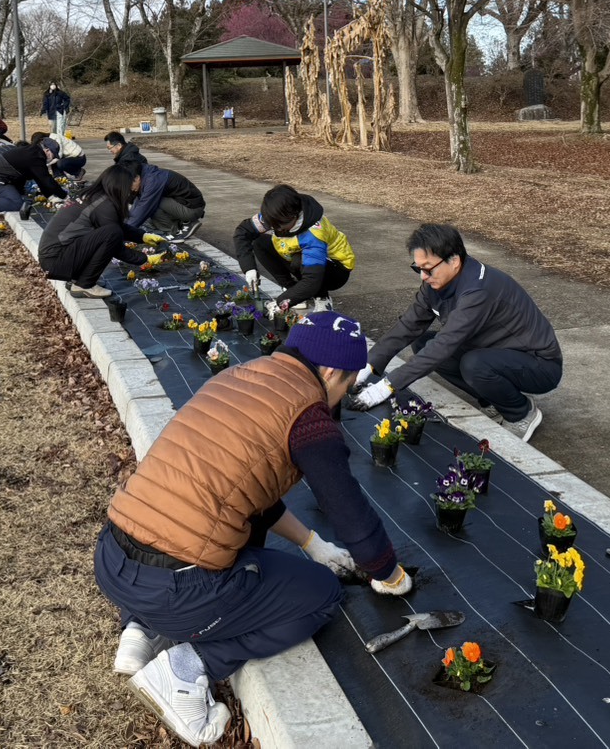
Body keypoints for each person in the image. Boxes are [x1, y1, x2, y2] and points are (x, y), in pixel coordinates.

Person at [95, 311, 413, 747]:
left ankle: (139, 631)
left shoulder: (241, 377)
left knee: (205, 523)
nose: (341, 398)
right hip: (174, 588)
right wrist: (386, 570)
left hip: (113, 558)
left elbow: (245, 492)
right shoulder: (309, 416)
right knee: (320, 594)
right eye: (348, 384)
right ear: (333, 371)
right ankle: (189, 668)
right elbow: (346, 507)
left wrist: (312, 542)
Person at [349, 223, 564, 443]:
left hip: (539, 363)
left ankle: (521, 413)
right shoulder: (436, 283)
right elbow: (408, 325)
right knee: (423, 343)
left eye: (428, 269)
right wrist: (368, 366)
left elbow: (445, 344)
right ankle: (494, 400)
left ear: (454, 261)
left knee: (472, 364)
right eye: (418, 268)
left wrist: (386, 387)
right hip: (495, 351)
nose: (423, 276)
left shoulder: (478, 290)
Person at [234, 185, 354, 314]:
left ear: (295, 216)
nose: (277, 229)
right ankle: (292, 289)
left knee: (299, 261)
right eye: (273, 226)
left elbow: (311, 280)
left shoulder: (313, 234)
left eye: (280, 226)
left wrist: (283, 302)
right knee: (259, 243)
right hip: (295, 254)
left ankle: (322, 299)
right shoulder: (276, 217)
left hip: (335, 270)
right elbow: (243, 232)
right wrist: (249, 268)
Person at [37, 166, 145, 298]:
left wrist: (143, 236)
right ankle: (84, 284)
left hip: (53, 257)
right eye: (128, 185)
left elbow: (117, 225)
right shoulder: (104, 205)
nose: (130, 190)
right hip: (56, 260)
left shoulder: (95, 197)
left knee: (111, 231)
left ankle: (79, 279)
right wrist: (144, 259)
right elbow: (114, 241)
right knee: (112, 234)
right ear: (120, 186)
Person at [0, 135, 67, 213]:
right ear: (47, 150)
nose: (53, 158)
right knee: (17, 203)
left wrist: (51, 197)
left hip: (3, 179)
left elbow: (40, 179)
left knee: (24, 200)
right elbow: (47, 180)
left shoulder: (33, 152)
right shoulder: (36, 157)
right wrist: (64, 196)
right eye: (53, 155)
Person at [127, 162, 205, 240]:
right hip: (185, 205)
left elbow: (143, 207)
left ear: (137, 178)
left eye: (130, 185)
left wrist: (125, 232)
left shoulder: (153, 180)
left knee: (152, 204)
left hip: (192, 209)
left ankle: (175, 230)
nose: (130, 189)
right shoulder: (147, 176)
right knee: (149, 205)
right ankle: (180, 224)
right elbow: (138, 204)